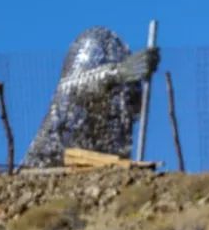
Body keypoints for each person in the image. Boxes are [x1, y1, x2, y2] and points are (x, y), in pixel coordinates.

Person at [22, 26, 160, 168]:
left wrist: (138, 74)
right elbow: (70, 88)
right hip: (50, 165)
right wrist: (114, 74)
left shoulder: (116, 117)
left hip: (107, 165)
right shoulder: (92, 47)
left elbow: (134, 109)